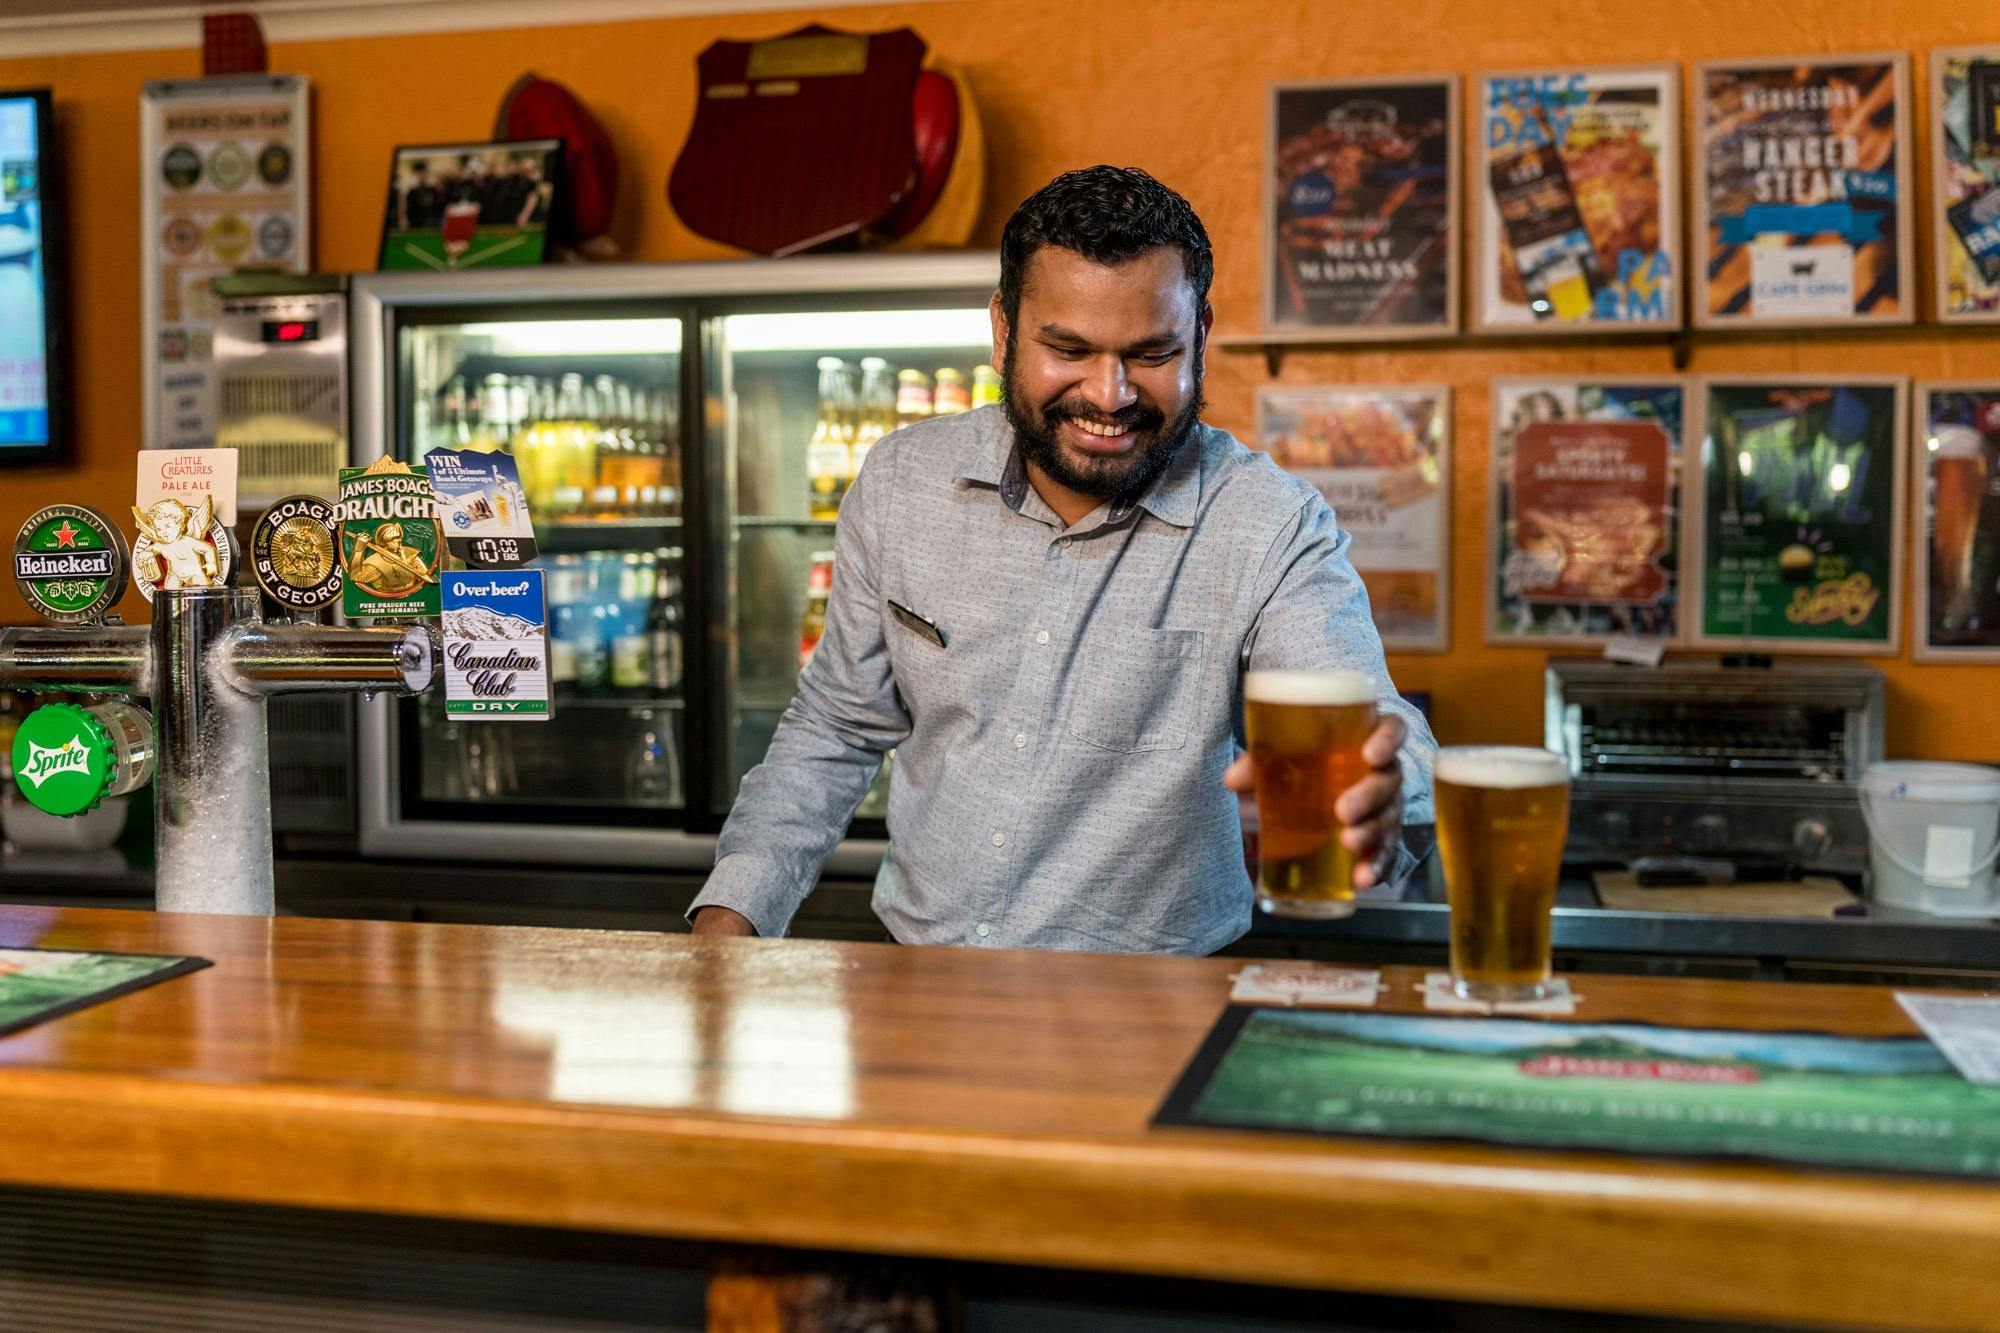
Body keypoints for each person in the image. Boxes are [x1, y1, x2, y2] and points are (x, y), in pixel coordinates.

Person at [690, 165, 1436, 953]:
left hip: (1156, 1004)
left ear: (1202, 336)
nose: (1109, 395)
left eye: (1150, 353)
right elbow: (836, 725)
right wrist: (731, 913)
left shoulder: (1268, 522)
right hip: (922, 986)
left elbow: (1364, 720)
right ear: (1004, 331)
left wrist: (1385, 792)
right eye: (1069, 348)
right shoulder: (903, 481)